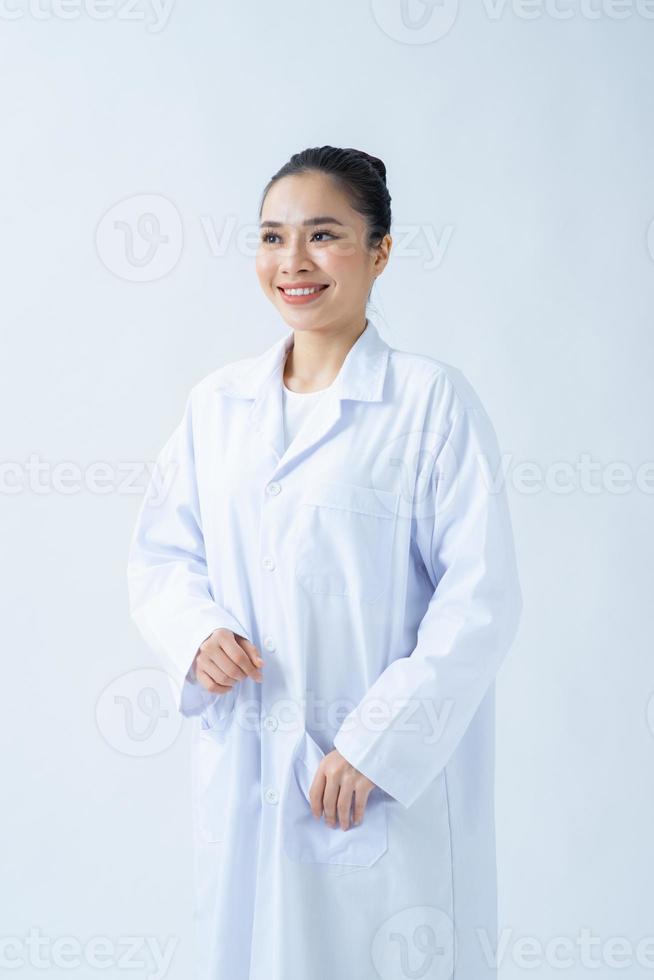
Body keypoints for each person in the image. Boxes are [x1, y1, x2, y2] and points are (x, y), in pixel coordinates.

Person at [126, 145, 523, 980]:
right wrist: (197, 633)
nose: (293, 262)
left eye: (324, 235)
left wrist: (379, 741)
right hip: (250, 769)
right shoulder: (218, 405)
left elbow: (479, 600)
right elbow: (164, 554)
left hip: (370, 785)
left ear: (380, 252)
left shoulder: (427, 402)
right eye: (273, 237)